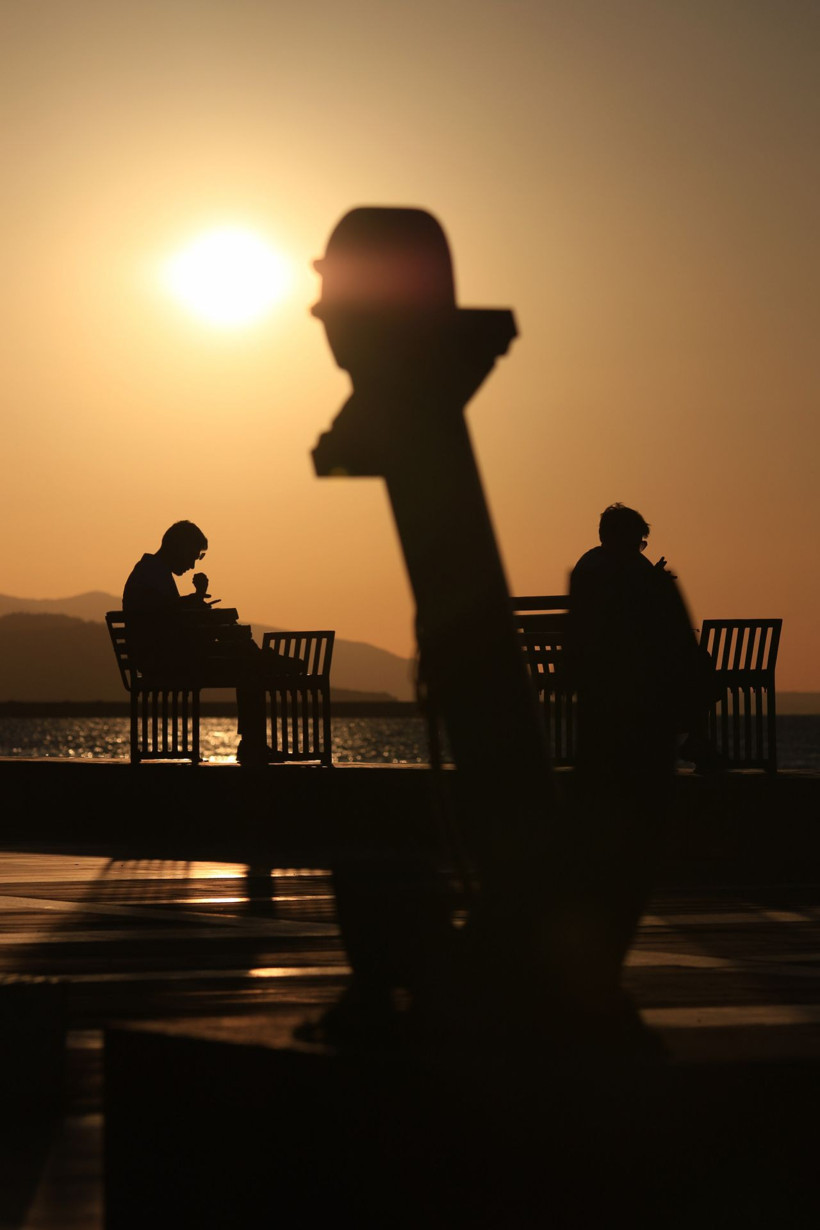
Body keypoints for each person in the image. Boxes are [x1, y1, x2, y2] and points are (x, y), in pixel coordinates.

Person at [560, 503, 712, 1043]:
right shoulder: (642, 581)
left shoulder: (586, 571)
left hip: (599, 725)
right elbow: (678, 653)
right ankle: (700, 737)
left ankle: (588, 974)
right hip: (642, 726)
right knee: (635, 851)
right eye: (642, 540)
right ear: (634, 538)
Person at [122, 520, 292, 766]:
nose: (192, 564)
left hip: (165, 656)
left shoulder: (151, 571)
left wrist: (194, 602)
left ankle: (259, 661)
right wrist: (195, 604)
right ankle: (252, 741)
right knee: (248, 666)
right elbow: (168, 620)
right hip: (166, 661)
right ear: (179, 547)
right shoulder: (152, 574)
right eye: (193, 556)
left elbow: (168, 617)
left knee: (240, 649)